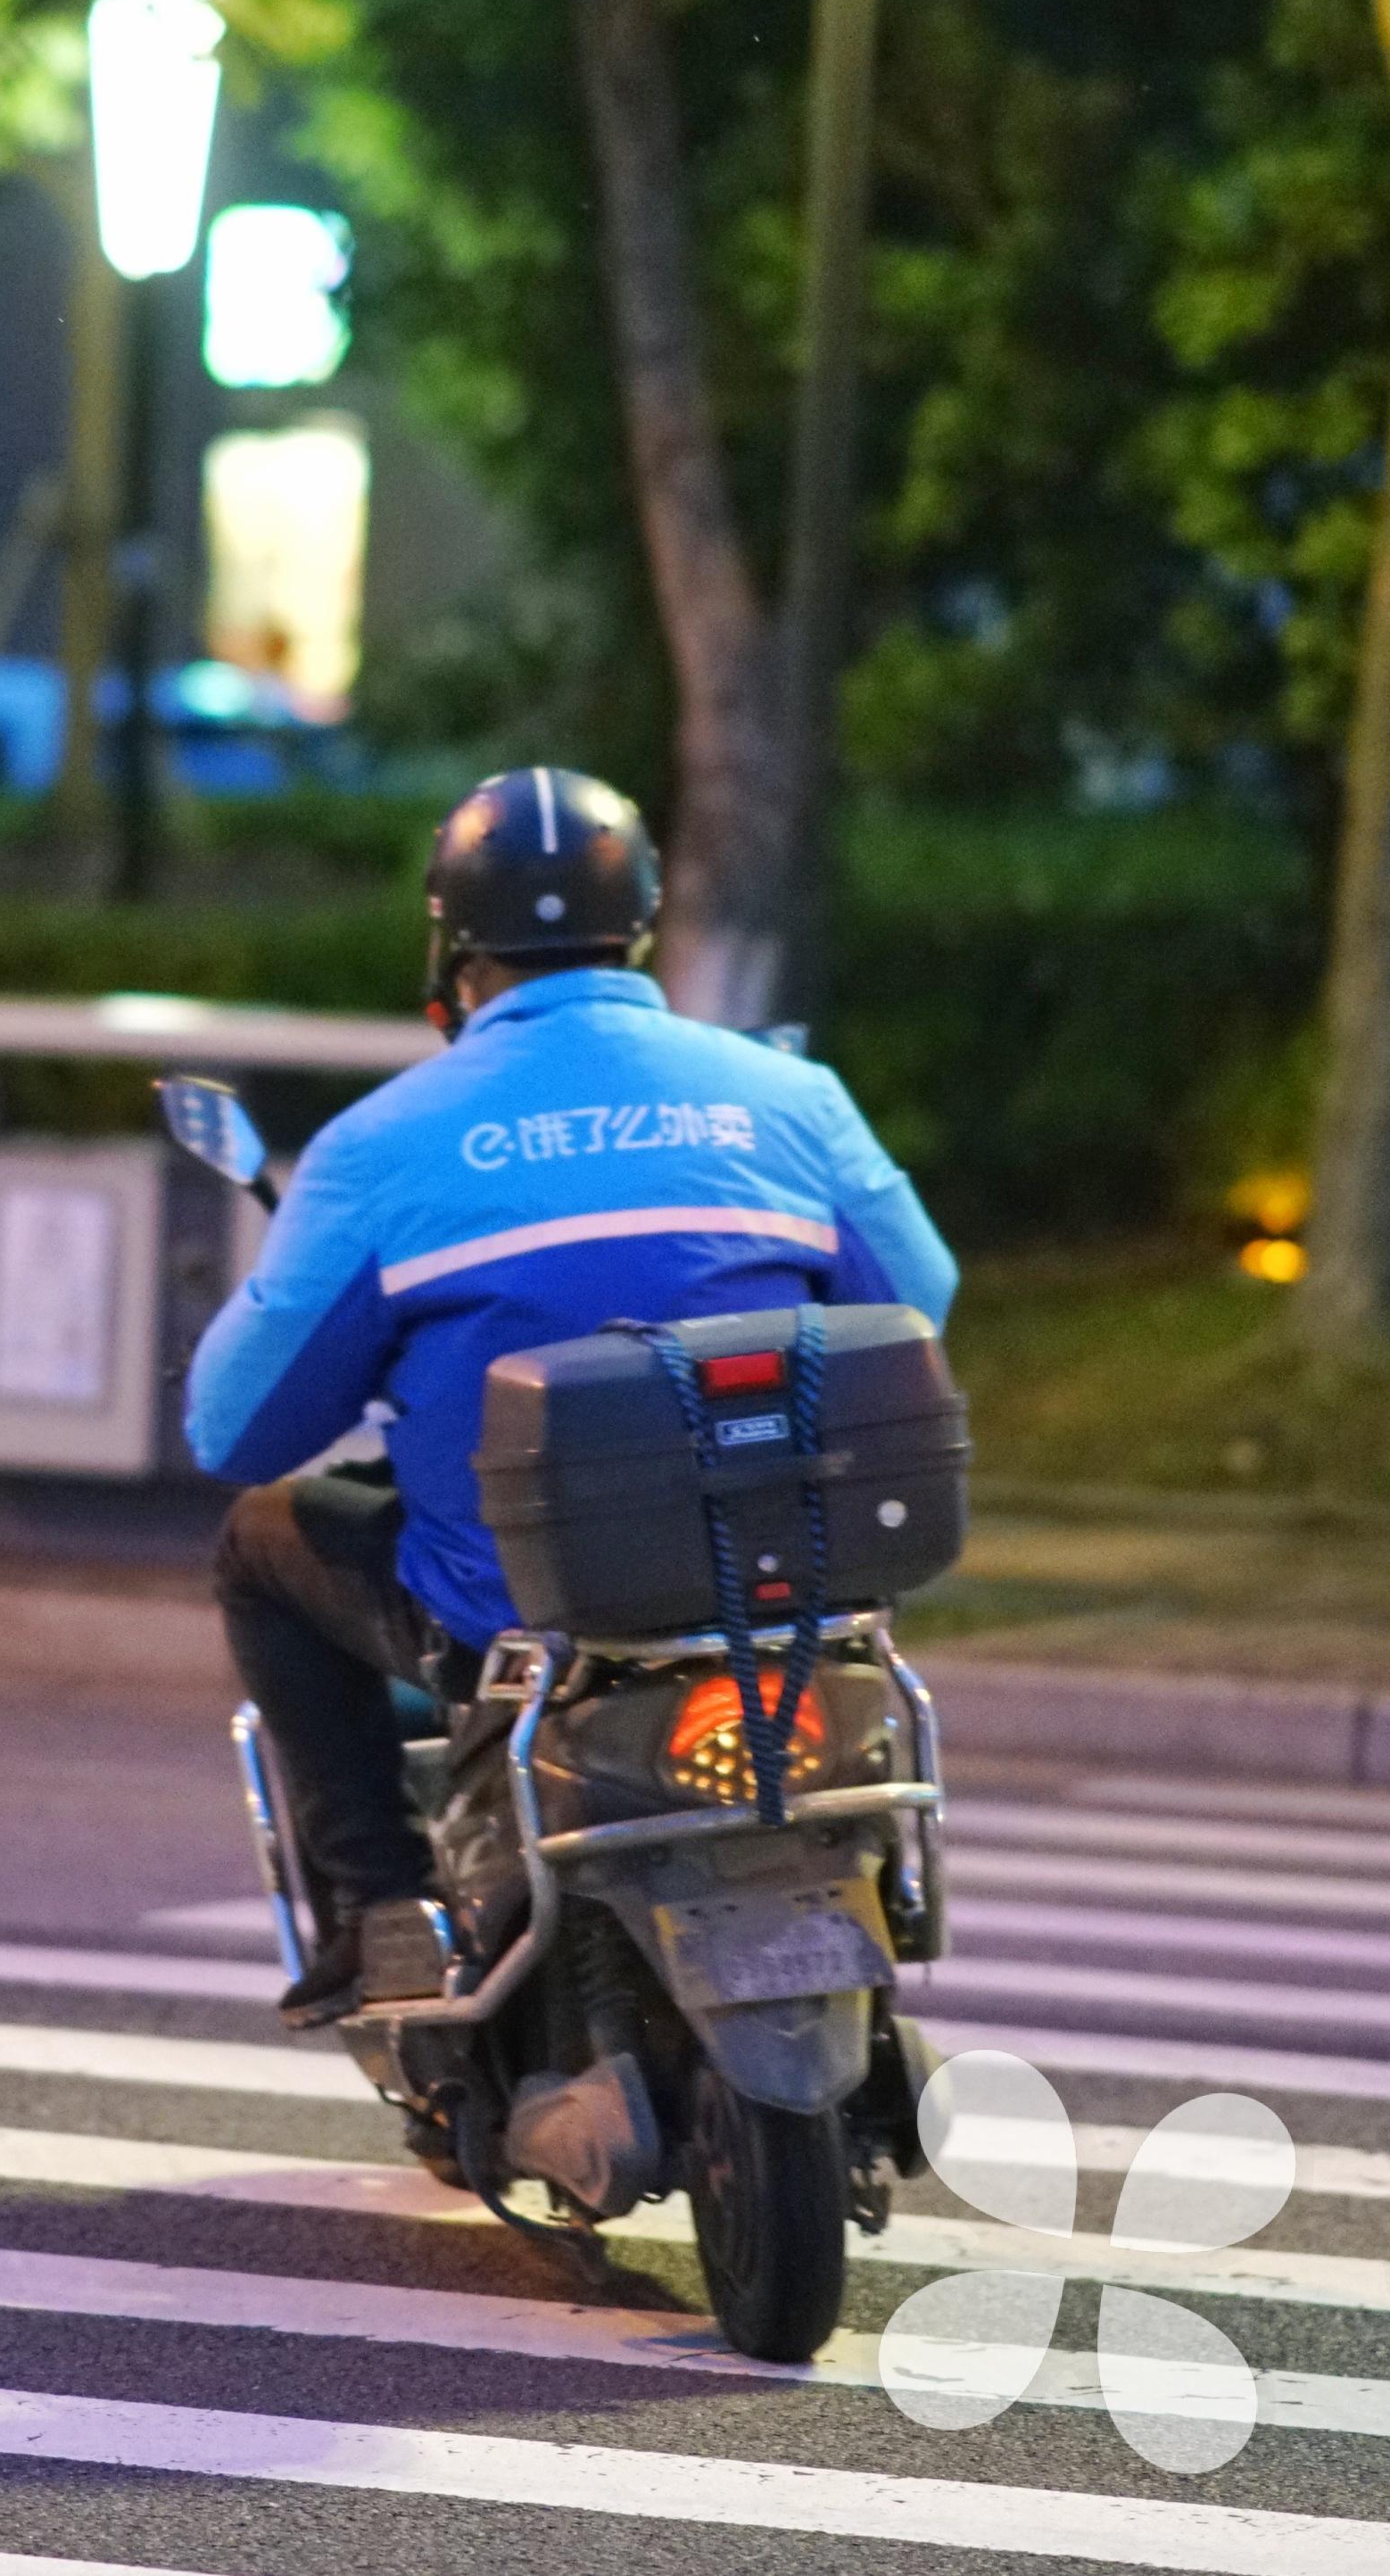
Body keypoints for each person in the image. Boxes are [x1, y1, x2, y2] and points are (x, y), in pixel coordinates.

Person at [183, 766, 958, 2024]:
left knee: (263, 1539)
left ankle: (381, 1910)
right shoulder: (788, 1100)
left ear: (450, 942)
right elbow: (914, 1307)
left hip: (517, 1613)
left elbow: (235, 1428)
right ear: (641, 921)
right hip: (782, 1576)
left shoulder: (382, 1147)